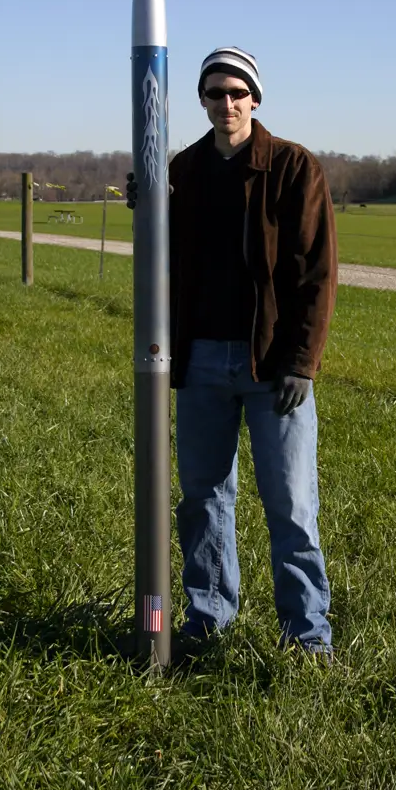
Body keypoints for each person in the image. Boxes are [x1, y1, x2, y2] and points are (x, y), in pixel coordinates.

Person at [128, 46, 337, 658]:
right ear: (201, 99)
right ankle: (208, 618)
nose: (227, 103)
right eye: (215, 93)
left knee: (292, 505)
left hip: (271, 368)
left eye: (238, 92)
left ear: (255, 98)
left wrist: (301, 362)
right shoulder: (184, 171)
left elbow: (316, 274)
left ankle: (307, 636)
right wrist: (148, 204)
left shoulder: (294, 168)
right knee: (203, 500)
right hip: (200, 366)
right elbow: (166, 257)